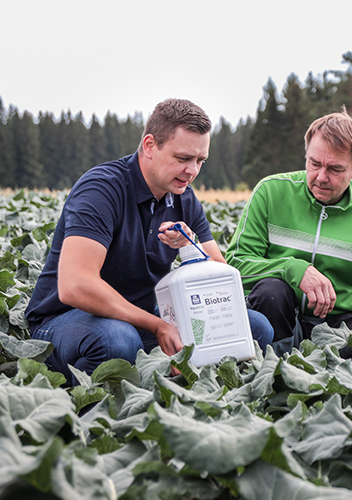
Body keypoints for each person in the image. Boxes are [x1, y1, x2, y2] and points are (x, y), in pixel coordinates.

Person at [26, 98, 273, 385]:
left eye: (200, 161)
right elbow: (75, 287)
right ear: (149, 146)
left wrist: (189, 246)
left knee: (255, 328)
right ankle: (84, 403)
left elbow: (222, 280)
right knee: (117, 341)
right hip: (66, 321)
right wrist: (158, 326)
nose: (192, 171)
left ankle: (169, 381)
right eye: (183, 159)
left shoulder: (184, 196)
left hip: (140, 317)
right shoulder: (102, 189)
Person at [225, 110, 352, 355]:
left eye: (335, 169)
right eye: (314, 164)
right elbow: (236, 265)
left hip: (339, 323)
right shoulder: (270, 192)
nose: (321, 177)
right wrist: (292, 269)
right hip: (277, 315)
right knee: (272, 291)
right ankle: (275, 369)